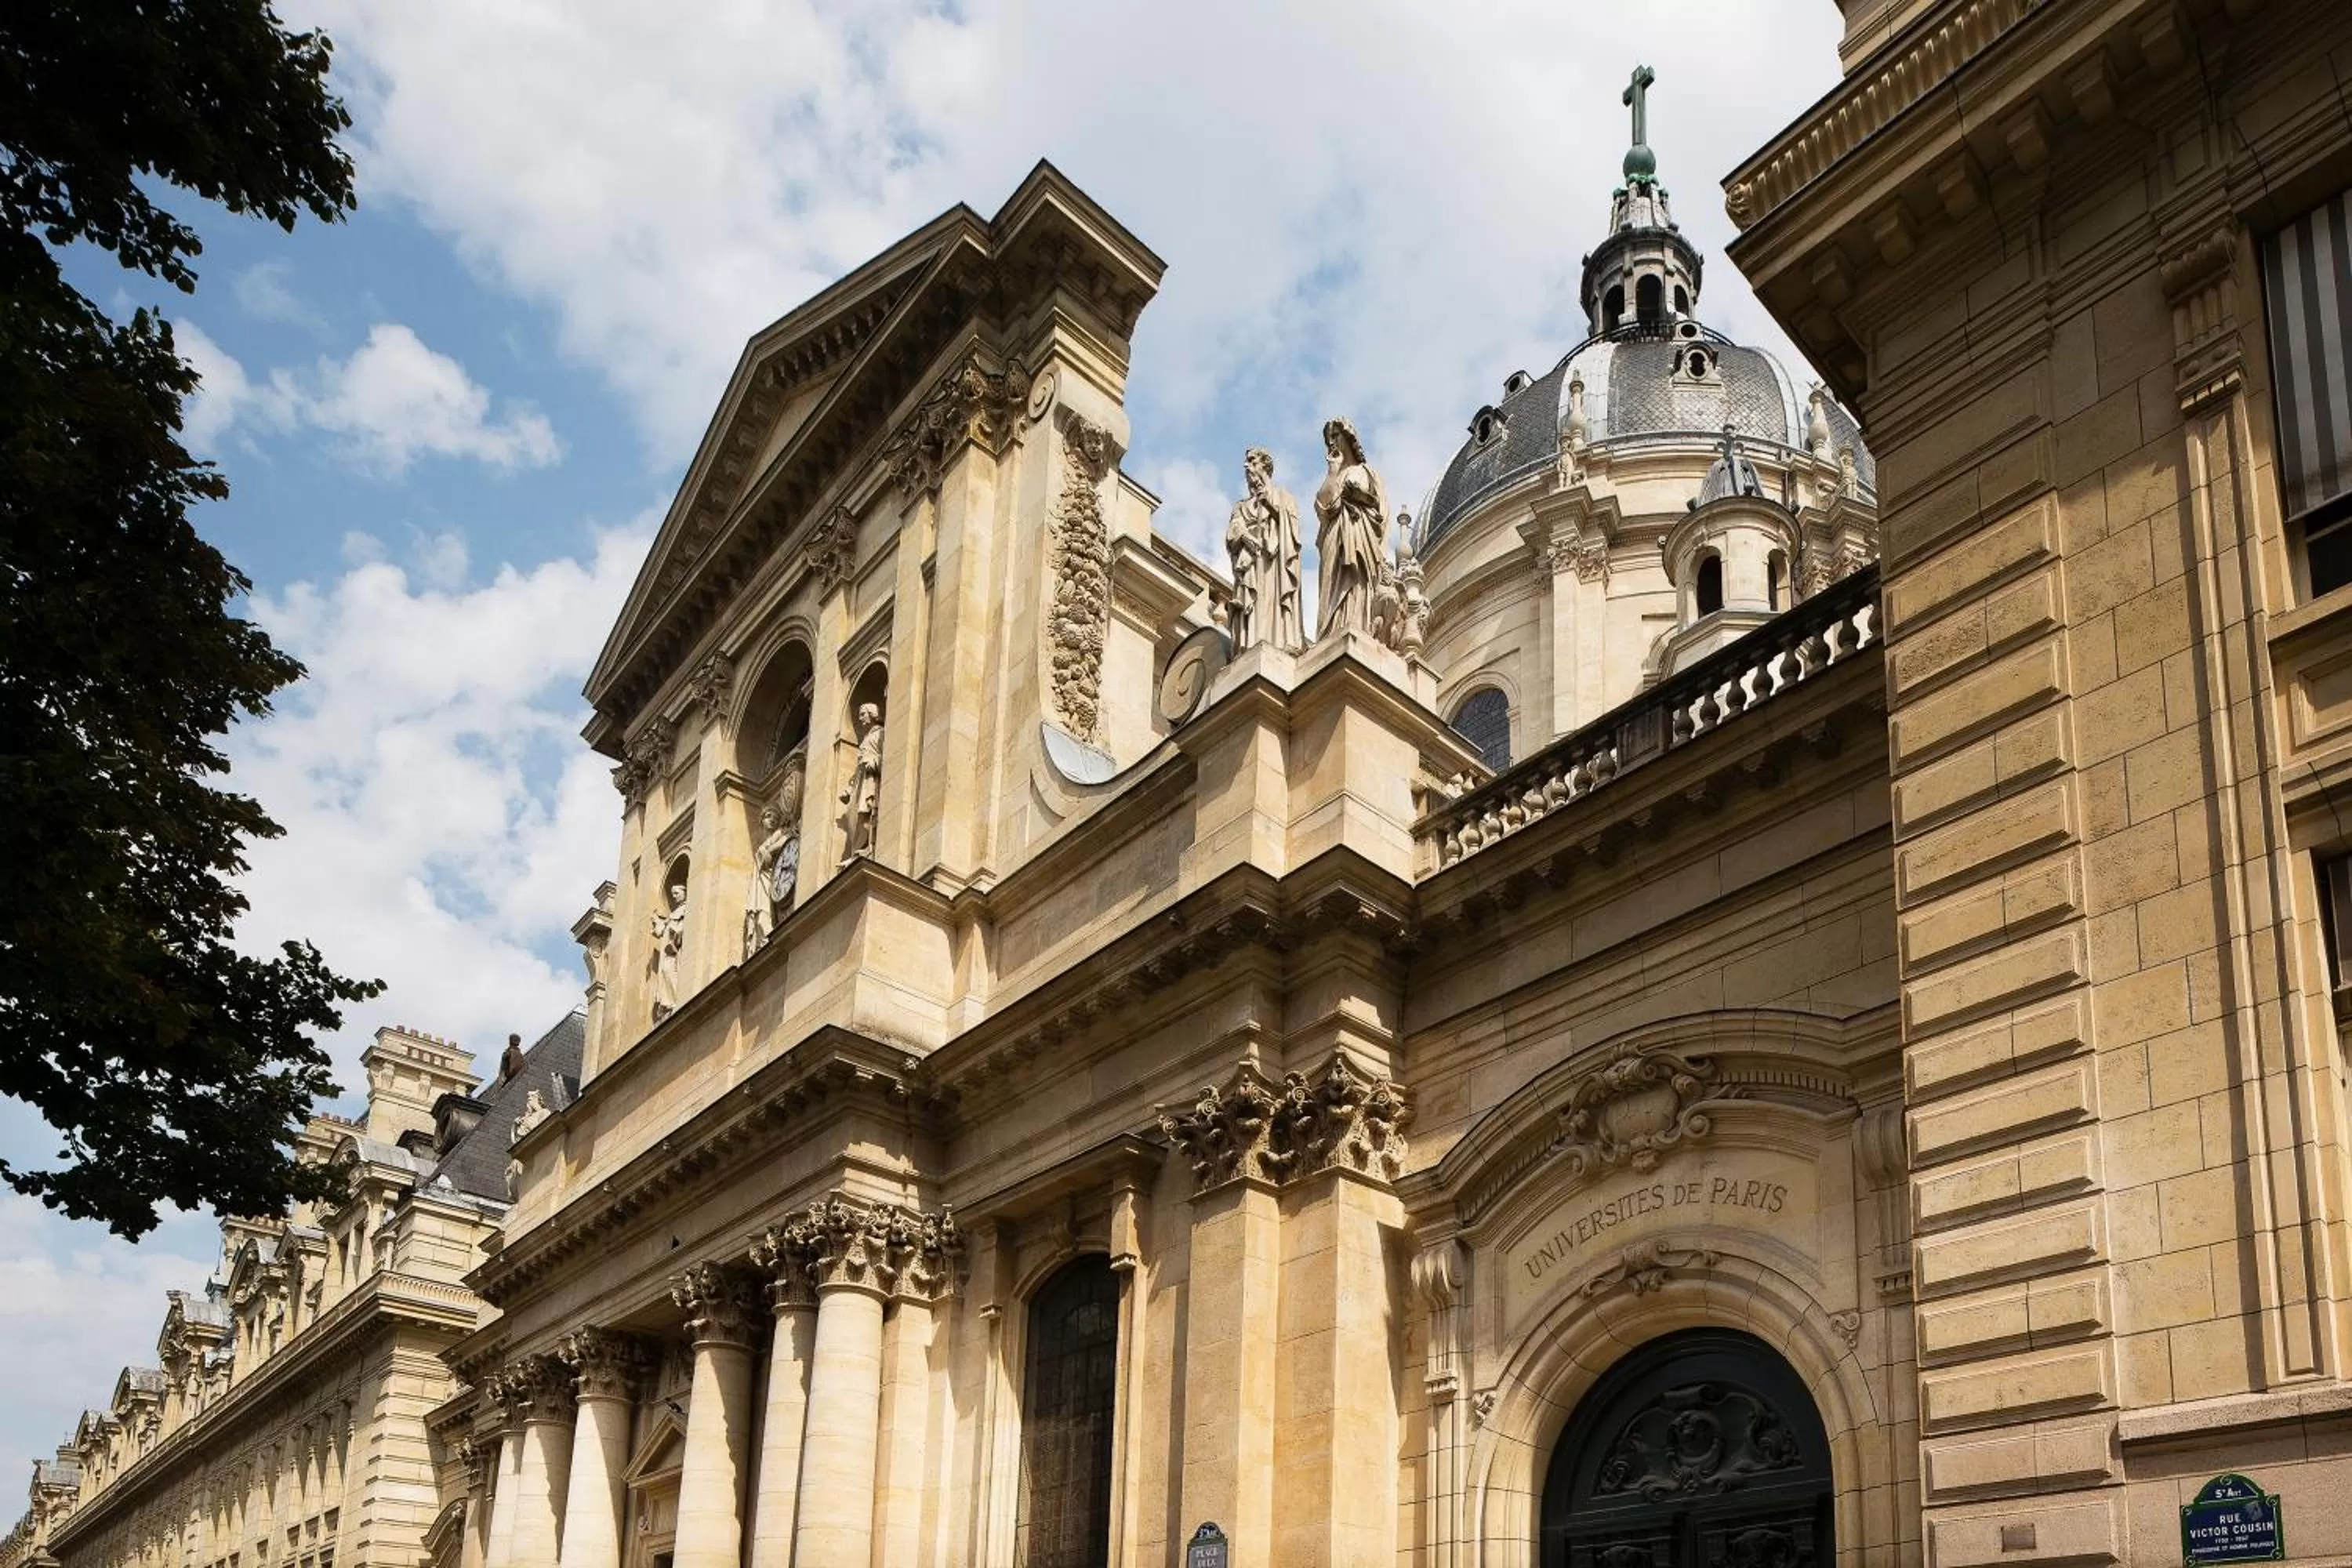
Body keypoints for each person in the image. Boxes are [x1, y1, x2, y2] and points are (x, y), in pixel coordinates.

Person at [1313, 418, 1389, 640]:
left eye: (1336, 436)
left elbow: (1379, 509)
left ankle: (1356, 623)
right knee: (1333, 583)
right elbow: (1323, 505)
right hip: (1335, 536)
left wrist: (1357, 497)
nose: (1332, 443)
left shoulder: (1366, 471)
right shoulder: (1335, 474)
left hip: (1359, 532)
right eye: (1329, 440)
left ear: (1348, 438)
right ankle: (1332, 628)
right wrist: (1332, 471)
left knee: (1356, 583)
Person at [1225, 446, 1304, 650]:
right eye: (1247, 462)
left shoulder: (1283, 496)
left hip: (1273, 565)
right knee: (1251, 603)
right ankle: (1249, 644)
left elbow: (1291, 529)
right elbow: (1233, 531)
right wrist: (1245, 536)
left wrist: (1268, 504)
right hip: (1249, 561)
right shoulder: (1241, 506)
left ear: (1265, 465)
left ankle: (1275, 641)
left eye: (1252, 461)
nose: (1247, 466)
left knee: (1270, 602)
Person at [839, 702, 884, 862]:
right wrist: (850, 789)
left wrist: (873, 763)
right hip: (861, 781)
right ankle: (859, 849)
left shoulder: (880, 734)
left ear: (872, 714)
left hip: (871, 779)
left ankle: (868, 847)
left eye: (863, 714)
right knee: (858, 814)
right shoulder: (866, 738)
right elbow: (858, 769)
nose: (860, 718)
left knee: (867, 811)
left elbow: (887, 756)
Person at [649, 881, 687, 1018]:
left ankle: (673, 1001)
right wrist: (656, 922)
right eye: (672, 894)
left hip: (675, 951)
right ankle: (667, 1002)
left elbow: (682, 928)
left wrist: (674, 933)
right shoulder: (673, 913)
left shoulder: (685, 909)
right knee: (665, 972)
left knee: (671, 972)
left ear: (684, 893)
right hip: (667, 952)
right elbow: (659, 931)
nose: (674, 897)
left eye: (677, 893)